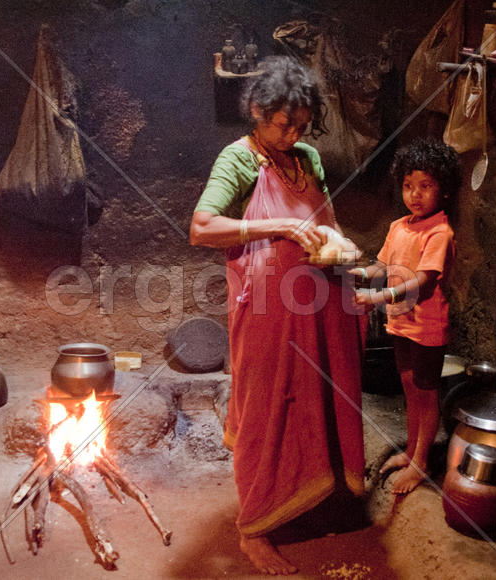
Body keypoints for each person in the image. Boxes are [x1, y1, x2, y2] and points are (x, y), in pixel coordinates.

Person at [189, 56, 366, 575]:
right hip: (268, 311)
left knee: (317, 405)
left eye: (301, 125)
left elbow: (326, 221)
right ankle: (255, 530)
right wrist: (282, 225)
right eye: (282, 124)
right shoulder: (238, 160)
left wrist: (344, 245)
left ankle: (312, 498)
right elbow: (202, 228)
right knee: (268, 412)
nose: (292, 135)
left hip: (321, 307)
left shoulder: (307, 157)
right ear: (257, 112)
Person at [351, 138, 458, 495]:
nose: (415, 194)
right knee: (409, 391)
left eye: (426, 186)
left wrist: (377, 296)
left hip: (426, 326)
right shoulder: (399, 226)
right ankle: (412, 452)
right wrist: (354, 271)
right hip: (399, 322)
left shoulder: (440, 232)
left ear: (444, 191)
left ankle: (421, 462)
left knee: (426, 394)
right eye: (409, 185)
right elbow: (382, 265)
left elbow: (422, 282)